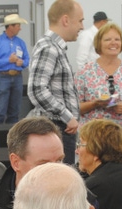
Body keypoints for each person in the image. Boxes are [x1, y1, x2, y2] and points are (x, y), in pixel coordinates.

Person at [75, 22, 122, 174]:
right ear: (98, 43)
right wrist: (95, 104)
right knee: (90, 181)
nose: (113, 43)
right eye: (108, 39)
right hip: (93, 140)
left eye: (117, 39)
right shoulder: (84, 72)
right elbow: (75, 108)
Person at [28, 0, 85, 164]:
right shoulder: (49, 48)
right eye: (80, 20)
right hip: (56, 127)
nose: (82, 27)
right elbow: (36, 90)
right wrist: (67, 116)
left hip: (60, 127)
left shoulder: (55, 47)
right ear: (66, 20)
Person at [0, 13, 30, 124]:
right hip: (3, 77)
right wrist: (8, 60)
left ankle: (12, 137)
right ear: (10, 26)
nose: (20, 28)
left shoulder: (21, 42)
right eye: (18, 26)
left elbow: (27, 59)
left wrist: (23, 63)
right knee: (0, 111)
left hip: (17, 77)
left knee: (15, 111)